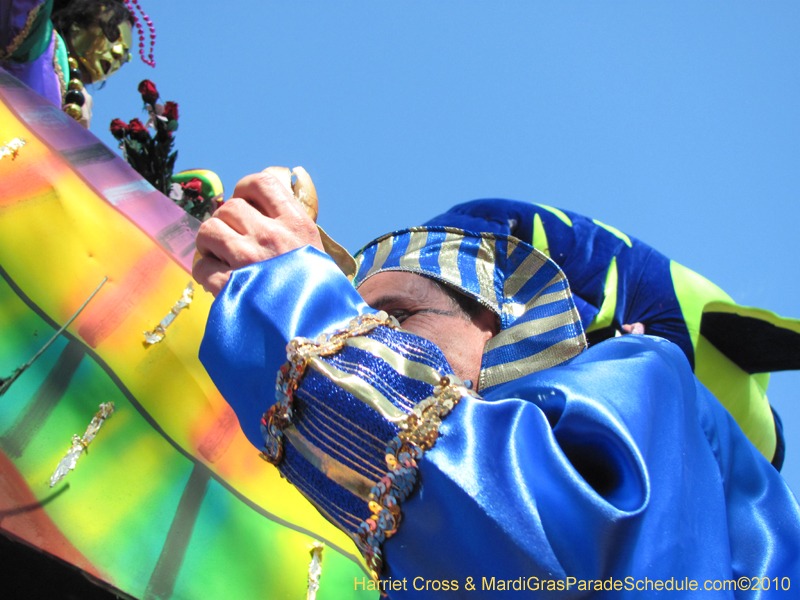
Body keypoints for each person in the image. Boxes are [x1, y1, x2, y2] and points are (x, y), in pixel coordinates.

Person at [194, 171, 800, 596]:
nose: (382, 343)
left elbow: (557, 554)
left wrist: (292, 303)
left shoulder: (647, 383)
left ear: (496, 321)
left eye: (397, 319)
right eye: (369, 326)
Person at [1, 0, 135, 127]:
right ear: (82, 18)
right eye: (112, 33)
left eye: (124, 56)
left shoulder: (76, 103)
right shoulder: (39, 42)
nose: (117, 53)